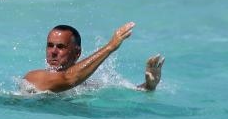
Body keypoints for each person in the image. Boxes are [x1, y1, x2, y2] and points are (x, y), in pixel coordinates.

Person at [22, 23, 164, 93]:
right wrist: (110, 47)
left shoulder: (87, 86)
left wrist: (148, 86)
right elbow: (68, 79)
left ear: (77, 53)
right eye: (50, 45)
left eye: (60, 47)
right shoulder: (34, 77)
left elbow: (125, 93)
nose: (53, 52)